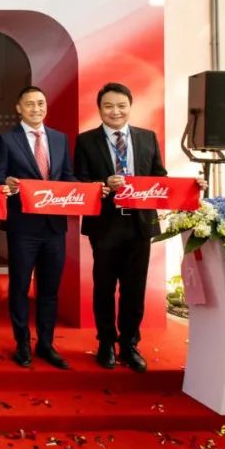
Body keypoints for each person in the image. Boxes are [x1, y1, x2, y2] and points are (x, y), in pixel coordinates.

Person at [75, 82, 175, 372]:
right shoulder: (86, 141)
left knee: (134, 288)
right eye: (108, 106)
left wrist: (192, 186)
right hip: (105, 224)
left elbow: (160, 176)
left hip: (139, 224)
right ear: (99, 109)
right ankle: (106, 342)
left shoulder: (147, 138)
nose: (115, 111)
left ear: (130, 106)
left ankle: (130, 344)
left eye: (121, 105)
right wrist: (103, 184)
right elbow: (78, 180)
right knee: (104, 287)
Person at [0, 85, 76, 370]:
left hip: (54, 227)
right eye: (29, 104)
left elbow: (67, 177)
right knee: (19, 287)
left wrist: (88, 190)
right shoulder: (7, 140)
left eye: (40, 103)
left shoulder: (60, 139)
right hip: (22, 227)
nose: (36, 108)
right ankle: (23, 343)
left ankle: (46, 344)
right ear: (19, 108)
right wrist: (6, 184)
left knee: (49, 289)